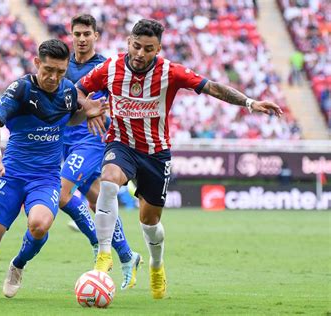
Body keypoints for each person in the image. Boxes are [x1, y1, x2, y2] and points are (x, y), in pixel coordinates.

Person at [77, 19, 283, 299]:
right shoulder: (109, 68)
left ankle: (156, 264)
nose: (140, 54)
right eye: (136, 46)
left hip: (156, 153)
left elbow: (213, 87)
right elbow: (76, 90)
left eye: (148, 49)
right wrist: (89, 106)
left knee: (150, 223)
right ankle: (103, 255)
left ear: (158, 49)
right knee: (109, 183)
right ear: (128, 42)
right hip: (121, 144)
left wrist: (249, 103)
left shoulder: (170, 72)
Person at [0, 39, 106, 299]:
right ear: (37, 63)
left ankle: (18, 264)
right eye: (48, 70)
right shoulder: (20, 89)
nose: (54, 77)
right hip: (12, 174)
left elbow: (71, 115)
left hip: (46, 178)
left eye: (60, 72)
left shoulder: (68, 92)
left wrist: (88, 113)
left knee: (39, 225)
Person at [60, 14, 142, 291]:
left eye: (87, 34)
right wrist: (84, 107)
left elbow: (119, 101)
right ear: (71, 35)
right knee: (96, 201)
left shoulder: (106, 67)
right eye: (77, 34)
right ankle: (128, 256)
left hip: (92, 140)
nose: (82, 39)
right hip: (63, 139)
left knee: (61, 193)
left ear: (96, 36)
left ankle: (99, 244)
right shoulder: (63, 65)